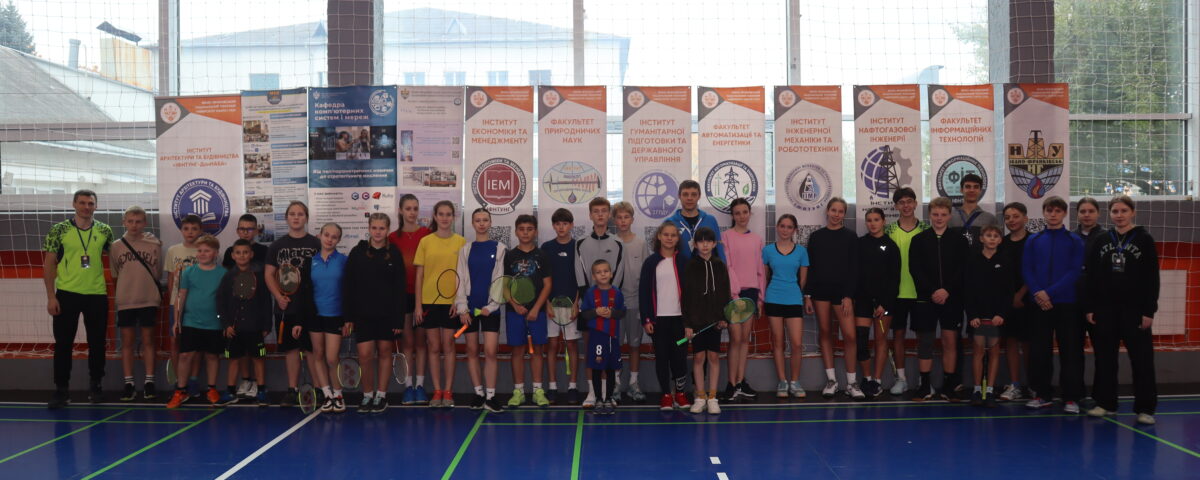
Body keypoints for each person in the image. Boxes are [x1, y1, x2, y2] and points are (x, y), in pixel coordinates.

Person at [1084, 195, 1159, 425]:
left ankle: (1145, 408)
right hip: (1105, 310)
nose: (1119, 215)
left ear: (1132, 212)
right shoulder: (1102, 239)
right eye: (1115, 211)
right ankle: (1105, 403)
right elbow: (1091, 276)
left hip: (1135, 310)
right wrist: (1090, 307)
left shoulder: (1144, 239)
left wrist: (1149, 311)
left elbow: (1152, 278)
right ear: (1109, 214)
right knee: (1105, 359)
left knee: (1142, 360)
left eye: (1124, 211)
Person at [44, 190, 115, 408]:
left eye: (90, 203)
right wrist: (51, 296)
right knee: (63, 344)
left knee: (97, 343)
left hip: (96, 294)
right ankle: (61, 390)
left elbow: (118, 256)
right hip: (67, 293)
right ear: (74, 204)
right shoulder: (58, 230)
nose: (86, 207)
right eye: (82, 203)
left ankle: (96, 386)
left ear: (96, 206)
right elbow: (49, 264)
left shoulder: (105, 230)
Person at [1022, 196, 1086, 413]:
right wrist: (1038, 293)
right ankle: (1042, 394)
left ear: (1064, 214)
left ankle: (1071, 398)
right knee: (1039, 352)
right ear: (1044, 212)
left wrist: (1049, 293)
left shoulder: (1074, 240)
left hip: (1066, 303)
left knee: (1070, 352)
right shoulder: (1034, 240)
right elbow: (1027, 269)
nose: (1053, 214)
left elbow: (1074, 271)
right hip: (1039, 304)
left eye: (1058, 211)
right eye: (1049, 210)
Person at [909, 197, 969, 402]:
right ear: (929, 215)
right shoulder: (919, 240)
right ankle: (925, 386)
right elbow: (915, 269)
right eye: (935, 214)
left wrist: (947, 290)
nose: (939, 218)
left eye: (943, 214)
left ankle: (949, 386)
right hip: (926, 299)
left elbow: (963, 269)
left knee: (950, 341)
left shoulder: (959, 240)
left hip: (952, 298)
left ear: (949, 216)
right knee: (925, 341)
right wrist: (933, 291)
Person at [346, 214, 406, 413]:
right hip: (363, 315)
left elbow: (399, 288)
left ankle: (381, 395)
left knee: (385, 352)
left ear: (387, 230)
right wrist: (349, 317)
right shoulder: (357, 252)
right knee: (364, 355)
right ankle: (367, 395)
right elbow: (349, 285)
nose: (378, 232)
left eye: (382, 228)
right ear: (369, 228)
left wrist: (398, 319)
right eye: (374, 228)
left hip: (387, 315)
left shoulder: (394, 253)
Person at [264, 201, 321, 408]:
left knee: (312, 350)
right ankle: (292, 390)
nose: (296, 217)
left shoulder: (316, 243)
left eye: (300, 214)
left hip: (311, 307)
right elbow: (269, 274)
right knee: (291, 350)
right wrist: (278, 296)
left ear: (306, 218)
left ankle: (319, 389)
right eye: (292, 214)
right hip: (286, 307)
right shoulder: (277, 246)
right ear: (286, 218)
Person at [806, 198, 863, 400]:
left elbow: (855, 268)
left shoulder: (851, 236)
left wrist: (848, 295)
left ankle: (851, 382)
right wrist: (808, 295)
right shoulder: (816, 237)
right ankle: (831, 380)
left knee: (850, 336)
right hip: (820, 293)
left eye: (840, 211)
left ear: (844, 214)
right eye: (833, 210)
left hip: (842, 295)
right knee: (825, 332)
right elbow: (811, 268)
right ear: (827, 212)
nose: (836, 214)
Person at [413, 200, 467, 408]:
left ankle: (448, 392)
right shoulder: (425, 242)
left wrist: (458, 301)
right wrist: (418, 305)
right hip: (429, 302)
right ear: (435, 216)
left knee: (449, 345)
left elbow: (463, 275)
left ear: (453, 217)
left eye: (448, 214)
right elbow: (419, 276)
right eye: (441, 214)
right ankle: (437, 391)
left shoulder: (461, 242)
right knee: (434, 347)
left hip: (452, 303)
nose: (445, 218)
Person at [454, 209, 507, 413]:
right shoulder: (465, 250)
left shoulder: (500, 248)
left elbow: (500, 280)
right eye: (478, 220)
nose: (482, 223)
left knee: (491, 351)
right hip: (469, 310)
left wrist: (491, 306)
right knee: (472, 350)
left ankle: (491, 397)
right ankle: (478, 393)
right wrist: (462, 308)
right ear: (473, 223)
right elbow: (460, 279)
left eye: (485, 220)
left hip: (489, 310)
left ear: (490, 222)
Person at [575, 197, 624, 408]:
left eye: (604, 211)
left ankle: (607, 393)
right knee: (591, 349)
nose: (600, 214)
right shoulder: (580, 243)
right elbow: (579, 276)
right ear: (590, 215)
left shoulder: (618, 243)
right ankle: (592, 392)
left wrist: (610, 307)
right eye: (596, 211)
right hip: (591, 308)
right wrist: (592, 306)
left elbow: (619, 276)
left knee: (610, 352)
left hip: (610, 310)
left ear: (609, 215)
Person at [167, 235, 226, 408]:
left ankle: (212, 389)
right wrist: (177, 320)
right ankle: (180, 391)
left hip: (214, 322)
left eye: (207, 250)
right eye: (199, 250)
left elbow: (226, 300)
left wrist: (225, 321)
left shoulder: (223, 274)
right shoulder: (188, 272)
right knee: (185, 355)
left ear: (215, 253)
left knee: (212, 356)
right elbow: (180, 296)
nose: (202, 253)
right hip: (191, 321)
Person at [110, 205, 162, 402]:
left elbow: (157, 272)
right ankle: (129, 383)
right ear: (124, 222)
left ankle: (149, 382)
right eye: (130, 221)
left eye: (138, 221)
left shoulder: (154, 243)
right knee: (127, 342)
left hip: (148, 298)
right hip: (126, 299)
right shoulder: (116, 246)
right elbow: (115, 274)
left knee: (149, 340)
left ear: (145, 223)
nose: (134, 225)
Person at [640, 222, 690, 411]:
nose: (669, 238)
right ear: (659, 236)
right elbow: (644, 293)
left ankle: (680, 394)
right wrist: (646, 319)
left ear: (678, 239)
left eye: (673, 235)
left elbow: (691, 294)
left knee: (679, 357)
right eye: (666, 234)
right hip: (658, 321)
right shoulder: (650, 262)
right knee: (662, 357)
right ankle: (666, 395)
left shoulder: (684, 261)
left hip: (680, 321)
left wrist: (689, 321)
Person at [883, 187, 929, 395]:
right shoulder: (889, 230)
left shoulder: (926, 229)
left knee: (923, 337)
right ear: (896, 206)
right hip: (897, 293)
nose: (906, 205)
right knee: (898, 335)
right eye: (902, 202)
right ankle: (901, 379)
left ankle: (923, 378)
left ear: (916, 204)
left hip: (921, 292)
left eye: (910, 201)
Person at [505, 214, 554, 408]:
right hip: (514, 312)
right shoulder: (509, 256)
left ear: (536, 232)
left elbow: (547, 285)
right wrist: (514, 304)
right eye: (522, 229)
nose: (525, 233)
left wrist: (536, 308)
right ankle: (518, 391)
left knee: (537, 351)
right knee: (517, 350)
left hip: (537, 313)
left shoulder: (543, 255)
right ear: (516, 231)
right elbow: (505, 285)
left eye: (529, 229)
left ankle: (537, 391)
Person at [216, 239, 272, 407]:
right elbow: (220, 303)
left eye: (245, 252)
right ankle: (230, 392)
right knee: (233, 359)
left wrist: (266, 325)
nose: (242, 256)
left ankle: (261, 391)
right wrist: (225, 324)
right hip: (234, 329)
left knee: (258, 359)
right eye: (238, 253)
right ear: (233, 255)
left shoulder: (259, 275)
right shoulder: (227, 277)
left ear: (251, 254)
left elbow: (266, 302)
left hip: (255, 327)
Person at [388, 194, 432, 405]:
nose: (412, 212)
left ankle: (420, 386)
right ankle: (408, 387)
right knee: (407, 342)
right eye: (408, 208)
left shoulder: (426, 234)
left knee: (421, 342)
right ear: (400, 211)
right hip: (401, 295)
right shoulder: (392, 238)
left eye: (415, 208)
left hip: (423, 295)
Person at [719, 198, 764, 402]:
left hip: (751, 294)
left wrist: (760, 298)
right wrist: (734, 294)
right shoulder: (725, 237)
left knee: (745, 339)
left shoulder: (756, 239)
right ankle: (731, 383)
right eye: (737, 213)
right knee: (735, 339)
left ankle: (740, 382)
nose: (741, 216)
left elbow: (760, 270)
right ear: (732, 215)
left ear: (750, 213)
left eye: (745, 212)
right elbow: (726, 267)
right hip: (733, 295)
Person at [682, 228, 730, 414]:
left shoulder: (720, 265)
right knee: (699, 358)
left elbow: (725, 293)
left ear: (714, 244)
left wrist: (724, 317)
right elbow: (685, 297)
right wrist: (687, 324)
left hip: (715, 322)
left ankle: (712, 398)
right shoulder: (690, 266)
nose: (705, 244)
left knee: (713, 357)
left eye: (708, 241)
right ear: (695, 244)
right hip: (696, 322)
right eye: (701, 241)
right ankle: (700, 397)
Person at [965, 225, 1013, 408]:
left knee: (993, 353)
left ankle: (990, 390)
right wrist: (972, 314)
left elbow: (1008, 292)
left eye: (995, 236)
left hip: (996, 318)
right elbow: (967, 290)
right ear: (981, 238)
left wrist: (1001, 314)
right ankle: (977, 390)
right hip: (978, 317)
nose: (992, 238)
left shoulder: (1005, 261)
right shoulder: (972, 260)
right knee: (978, 353)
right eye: (988, 235)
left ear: (1000, 240)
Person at [855, 208, 900, 400]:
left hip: (884, 303)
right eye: (869, 220)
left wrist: (884, 303)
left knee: (881, 340)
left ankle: (877, 381)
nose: (872, 223)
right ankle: (866, 379)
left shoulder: (891, 246)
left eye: (876, 219)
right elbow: (855, 272)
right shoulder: (860, 244)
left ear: (883, 221)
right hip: (863, 301)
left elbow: (894, 278)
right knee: (861, 339)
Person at [763, 214, 810, 399]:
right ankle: (782, 381)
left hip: (794, 299)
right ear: (777, 227)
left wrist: (798, 293)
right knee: (778, 342)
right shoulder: (767, 250)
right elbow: (764, 276)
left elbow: (803, 279)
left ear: (794, 230)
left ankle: (795, 381)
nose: (785, 230)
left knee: (797, 344)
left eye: (789, 227)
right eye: (782, 226)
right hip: (773, 298)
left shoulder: (801, 251)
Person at [542, 208, 582, 404]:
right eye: (558, 224)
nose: (561, 227)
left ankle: (573, 386)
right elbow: (542, 279)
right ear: (553, 226)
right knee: (552, 345)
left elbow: (581, 279)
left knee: (572, 345)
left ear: (571, 225)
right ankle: (552, 387)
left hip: (572, 305)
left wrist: (576, 304)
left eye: (565, 224)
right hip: (551, 305)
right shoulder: (546, 247)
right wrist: (546, 303)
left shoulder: (578, 247)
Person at [310, 223, 348, 412]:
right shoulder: (311, 261)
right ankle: (327, 395)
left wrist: (348, 318)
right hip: (315, 316)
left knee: (332, 358)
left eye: (334, 237)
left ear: (338, 240)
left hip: (335, 315)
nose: (329, 239)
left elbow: (350, 290)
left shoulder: (343, 260)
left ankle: (338, 394)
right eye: (327, 235)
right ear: (320, 235)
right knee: (317, 355)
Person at [612, 201, 648, 403]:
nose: (623, 221)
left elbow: (646, 275)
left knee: (634, 345)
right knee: (615, 346)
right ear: (614, 220)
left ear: (632, 219)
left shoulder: (641, 243)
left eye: (626, 217)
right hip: (615, 306)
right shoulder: (610, 242)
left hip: (635, 303)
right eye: (619, 217)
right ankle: (616, 384)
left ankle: (634, 383)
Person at [580, 259, 627, 415]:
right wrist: (596, 312)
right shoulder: (590, 293)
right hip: (597, 337)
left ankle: (608, 398)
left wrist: (612, 313)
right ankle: (598, 399)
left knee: (611, 368)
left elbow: (622, 312)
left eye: (606, 271)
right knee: (597, 368)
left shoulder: (617, 292)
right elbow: (584, 314)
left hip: (612, 337)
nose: (603, 274)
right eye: (599, 272)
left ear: (611, 274)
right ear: (594, 276)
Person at [999, 202, 1033, 402]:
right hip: (1008, 301)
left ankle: (1032, 384)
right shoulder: (1002, 243)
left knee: (1028, 342)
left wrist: (1020, 294)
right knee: (1010, 341)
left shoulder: (1033, 241)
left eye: (1016, 216)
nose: (1011, 220)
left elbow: (1036, 270)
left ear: (1025, 218)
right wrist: (1010, 297)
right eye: (1007, 217)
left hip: (1029, 299)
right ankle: (1015, 384)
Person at [166, 214, 202, 397]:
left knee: (195, 343)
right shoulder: (173, 250)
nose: (190, 232)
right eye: (186, 229)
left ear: (200, 231)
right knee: (175, 340)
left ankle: (193, 380)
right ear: (181, 230)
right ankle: (179, 381)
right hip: (177, 303)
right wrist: (172, 301)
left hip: (197, 304)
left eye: (194, 229)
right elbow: (171, 278)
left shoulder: (204, 251)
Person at [665, 179, 725, 262]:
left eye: (693, 194)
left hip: (706, 268)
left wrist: (723, 267)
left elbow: (719, 247)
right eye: (685, 194)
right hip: (679, 269)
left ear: (699, 196)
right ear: (679, 196)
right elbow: (664, 251)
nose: (689, 198)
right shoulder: (669, 223)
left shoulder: (711, 220)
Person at [948, 173, 999, 246]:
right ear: (961, 190)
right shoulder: (950, 217)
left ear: (980, 191)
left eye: (976, 187)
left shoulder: (990, 219)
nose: (972, 190)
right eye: (968, 187)